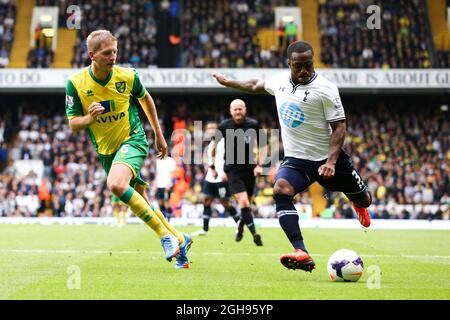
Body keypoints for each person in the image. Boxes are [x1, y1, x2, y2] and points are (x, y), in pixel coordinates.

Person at [212, 40, 372, 272]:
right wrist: (229, 82)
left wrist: (330, 161)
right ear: (289, 64)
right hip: (297, 160)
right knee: (281, 189)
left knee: (365, 199)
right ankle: (301, 251)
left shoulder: (326, 89)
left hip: (327, 160)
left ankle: (359, 203)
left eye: (309, 65)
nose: (304, 71)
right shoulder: (278, 82)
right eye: (299, 66)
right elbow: (255, 84)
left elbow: (339, 127)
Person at [65, 30, 192, 269]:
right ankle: (180, 239)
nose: (113, 56)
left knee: (115, 185)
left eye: (115, 51)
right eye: (106, 53)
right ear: (92, 55)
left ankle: (164, 237)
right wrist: (89, 118)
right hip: (107, 151)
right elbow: (73, 124)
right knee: (139, 200)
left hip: (132, 140)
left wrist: (158, 134)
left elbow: (146, 99)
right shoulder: (75, 84)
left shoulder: (128, 76)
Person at [210, 99, 266, 246]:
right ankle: (255, 234)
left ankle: (240, 227)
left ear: (245, 110)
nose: (238, 112)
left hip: (250, 170)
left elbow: (263, 145)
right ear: (231, 111)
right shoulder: (224, 126)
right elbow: (213, 146)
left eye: (240, 109)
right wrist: (212, 166)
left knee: (246, 206)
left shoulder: (253, 125)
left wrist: (259, 165)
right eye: (235, 109)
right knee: (244, 202)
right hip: (233, 170)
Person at [192, 122, 240, 236]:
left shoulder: (224, 141)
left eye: (213, 128)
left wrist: (226, 172)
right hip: (210, 177)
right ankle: (205, 229)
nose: (211, 130)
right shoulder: (211, 143)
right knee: (206, 200)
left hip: (221, 176)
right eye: (209, 128)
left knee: (225, 203)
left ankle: (239, 223)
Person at [155, 155, 176, 221]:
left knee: (167, 202)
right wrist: (155, 183)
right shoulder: (158, 161)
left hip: (166, 185)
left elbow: (172, 173)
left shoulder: (171, 160)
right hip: (159, 184)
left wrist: (169, 184)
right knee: (160, 202)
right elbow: (157, 173)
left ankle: (169, 220)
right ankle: (163, 219)